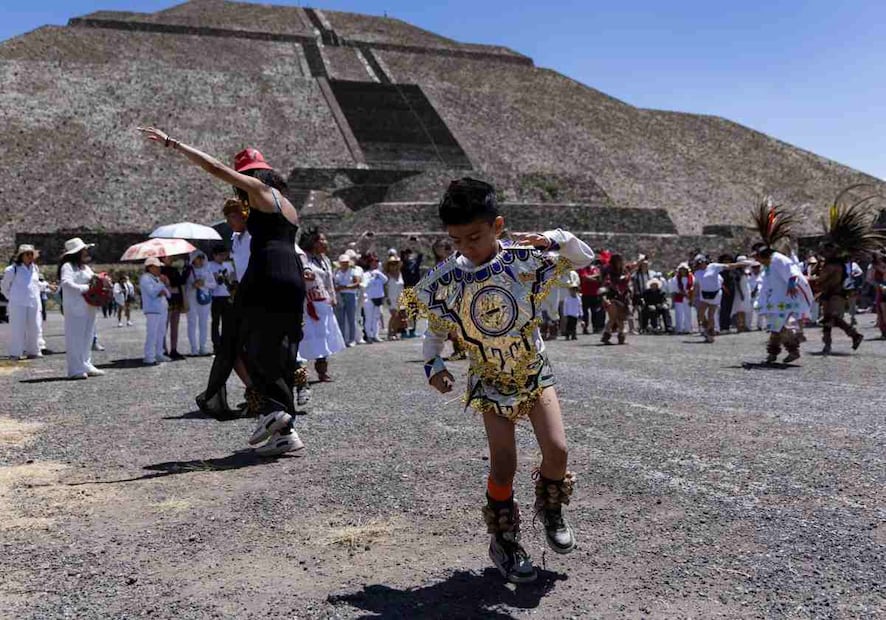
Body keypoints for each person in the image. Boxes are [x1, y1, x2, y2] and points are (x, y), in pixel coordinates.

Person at [404, 178, 594, 584]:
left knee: (557, 451)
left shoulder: (527, 259)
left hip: (533, 372)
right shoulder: (446, 281)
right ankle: (504, 539)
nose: (466, 248)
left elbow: (583, 258)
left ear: (498, 226)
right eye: (457, 240)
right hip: (489, 380)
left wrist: (553, 238)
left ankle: (552, 508)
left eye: (474, 236)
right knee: (503, 464)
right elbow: (434, 331)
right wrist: (433, 366)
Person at [139, 128, 305, 456]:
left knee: (242, 339)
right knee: (277, 346)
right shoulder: (288, 204)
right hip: (292, 276)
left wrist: (176, 144)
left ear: (253, 175)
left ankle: (274, 412)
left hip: (267, 273)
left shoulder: (259, 190)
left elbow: (214, 167)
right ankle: (284, 429)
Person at [750, 201, 812, 364]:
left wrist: (792, 283)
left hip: (784, 300)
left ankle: (793, 349)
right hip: (776, 301)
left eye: (757, 258)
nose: (757, 261)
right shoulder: (769, 264)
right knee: (775, 328)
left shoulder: (778, 259)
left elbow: (792, 271)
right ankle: (772, 353)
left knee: (779, 327)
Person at [298, 228, 343, 384]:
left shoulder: (325, 259)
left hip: (324, 303)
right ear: (313, 242)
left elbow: (329, 281)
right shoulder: (304, 258)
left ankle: (322, 371)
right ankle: (299, 372)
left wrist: (333, 296)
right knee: (306, 336)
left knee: (324, 336)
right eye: (321, 240)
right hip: (308, 303)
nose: (325, 242)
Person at [58, 238, 104, 379]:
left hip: (88, 306)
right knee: (75, 337)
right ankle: (75, 369)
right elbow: (66, 283)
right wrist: (86, 288)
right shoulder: (68, 266)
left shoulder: (85, 267)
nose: (86, 252)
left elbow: (93, 279)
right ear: (76, 252)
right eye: (83, 250)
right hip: (75, 307)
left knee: (87, 336)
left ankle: (86, 363)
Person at [694, 255, 749, 343]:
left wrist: (742, 264)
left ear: (705, 262)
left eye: (701, 263)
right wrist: (693, 296)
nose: (700, 265)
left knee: (711, 314)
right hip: (704, 295)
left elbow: (729, 266)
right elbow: (697, 285)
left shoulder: (714, 266)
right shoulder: (697, 273)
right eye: (698, 264)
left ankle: (710, 334)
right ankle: (706, 328)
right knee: (700, 315)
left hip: (715, 294)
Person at [2, 244, 42, 359]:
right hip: (17, 303)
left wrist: (46, 286)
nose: (30, 256)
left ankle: (33, 351)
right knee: (17, 328)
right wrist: (11, 297)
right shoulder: (12, 269)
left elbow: (35, 284)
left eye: (31, 254)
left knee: (34, 327)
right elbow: (4, 286)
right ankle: (15, 353)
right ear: (21, 256)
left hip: (33, 302)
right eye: (27, 254)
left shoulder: (35, 268)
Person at [140, 257, 172, 365]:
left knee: (161, 332)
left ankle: (159, 353)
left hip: (162, 308)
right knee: (152, 333)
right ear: (150, 267)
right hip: (152, 309)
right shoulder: (145, 278)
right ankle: (149, 356)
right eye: (157, 267)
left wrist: (164, 285)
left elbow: (168, 293)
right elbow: (152, 293)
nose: (159, 269)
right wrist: (162, 285)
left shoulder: (156, 278)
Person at [184, 250, 216, 356]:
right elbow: (184, 285)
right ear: (193, 259)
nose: (201, 259)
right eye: (199, 257)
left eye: (202, 257)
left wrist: (204, 283)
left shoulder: (207, 270)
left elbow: (213, 285)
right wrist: (193, 285)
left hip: (205, 299)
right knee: (192, 323)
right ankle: (194, 348)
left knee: (204, 324)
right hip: (191, 299)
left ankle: (203, 347)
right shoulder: (188, 270)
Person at [208, 245, 235, 352]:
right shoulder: (210, 265)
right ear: (214, 255)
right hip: (216, 297)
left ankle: (226, 344)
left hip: (227, 296)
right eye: (220, 255)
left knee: (227, 322)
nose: (223, 257)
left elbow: (233, 279)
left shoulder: (228, 265)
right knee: (215, 322)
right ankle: (216, 345)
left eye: (224, 255)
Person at [600, 254, 632, 344]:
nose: (619, 262)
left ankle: (621, 337)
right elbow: (604, 287)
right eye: (617, 261)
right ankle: (607, 336)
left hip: (623, 298)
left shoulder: (624, 271)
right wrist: (604, 298)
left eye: (620, 260)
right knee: (613, 318)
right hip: (612, 298)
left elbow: (628, 283)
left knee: (620, 319)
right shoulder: (609, 274)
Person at [161, 255, 187, 360]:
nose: (171, 258)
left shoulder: (174, 270)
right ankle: (163, 349)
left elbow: (180, 282)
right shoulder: (160, 271)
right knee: (164, 326)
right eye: (168, 257)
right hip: (167, 299)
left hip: (176, 298)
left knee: (175, 326)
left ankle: (174, 349)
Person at [334, 254, 361, 347]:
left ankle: (352, 339)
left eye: (346, 262)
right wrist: (337, 288)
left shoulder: (353, 271)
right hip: (339, 296)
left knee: (351, 318)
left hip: (350, 295)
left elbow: (357, 283)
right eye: (342, 262)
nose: (344, 264)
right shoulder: (336, 271)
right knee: (340, 319)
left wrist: (344, 287)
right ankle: (342, 339)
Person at [361, 254, 388, 343]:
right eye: (373, 262)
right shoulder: (366, 274)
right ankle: (369, 335)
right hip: (369, 298)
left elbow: (385, 280)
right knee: (369, 318)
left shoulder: (379, 274)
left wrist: (378, 272)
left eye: (376, 261)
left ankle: (375, 335)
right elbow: (364, 284)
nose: (375, 263)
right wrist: (371, 277)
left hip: (378, 297)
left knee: (376, 318)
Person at [577, 259, 604, 334]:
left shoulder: (595, 269)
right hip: (586, 293)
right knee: (585, 313)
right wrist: (595, 279)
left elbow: (599, 277)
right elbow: (584, 277)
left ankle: (596, 327)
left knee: (595, 312)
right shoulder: (582, 268)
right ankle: (585, 328)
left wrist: (590, 277)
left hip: (595, 294)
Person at [383, 252, 405, 340]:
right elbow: (385, 287)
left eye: (395, 264)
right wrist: (386, 297)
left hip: (399, 298)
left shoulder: (400, 274)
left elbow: (402, 286)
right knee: (394, 315)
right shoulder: (387, 276)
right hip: (390, 298)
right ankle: (389, 333)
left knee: (398, 317)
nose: (393, 266)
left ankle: (395, 333)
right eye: (391, 264)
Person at [668, 262, 694, 334]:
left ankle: (687, 329)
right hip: (679, 297)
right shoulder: (675, 279)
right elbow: (673, 289)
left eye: (684, 269)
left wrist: (691, 296)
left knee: (688, 313)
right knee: (679, 313)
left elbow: (694, 286)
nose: (683, 271)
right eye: (681, 269)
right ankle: (679, 329)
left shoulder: (691, 277)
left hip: (688, 297)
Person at [731, 257, 754, 332]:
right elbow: (737, 284)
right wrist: (741, 293)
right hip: (740, 293)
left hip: (746, 291)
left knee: (744, 309)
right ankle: (739, 326)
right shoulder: (737, 272)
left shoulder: (745, 271)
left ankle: (744, 325)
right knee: (739, 309)